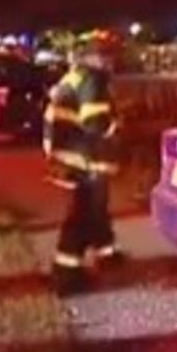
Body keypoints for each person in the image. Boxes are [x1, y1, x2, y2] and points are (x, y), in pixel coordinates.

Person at [43, 33, 123, 295]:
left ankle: (106, 254)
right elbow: (95, 122)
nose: (112, 64)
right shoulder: (92, 79)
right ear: (98, 58)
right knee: (83, 216)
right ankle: (67, 277)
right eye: (109, 57)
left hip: (71, 155)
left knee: (93, 210)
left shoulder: (75, 76)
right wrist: (116, 125)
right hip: (86, 159)